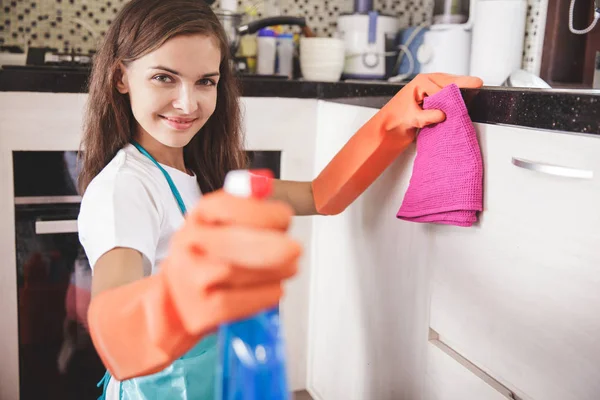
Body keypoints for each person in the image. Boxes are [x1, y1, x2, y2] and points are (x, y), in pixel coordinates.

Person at [77, 0, 483, 398]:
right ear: (121, 77)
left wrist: (394, 119)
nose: (188, 103)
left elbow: (321, 195)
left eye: (206, 81)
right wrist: (184, 295)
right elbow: (117, 336)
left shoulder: (205, 179)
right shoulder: (125, 188)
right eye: (164, 78)